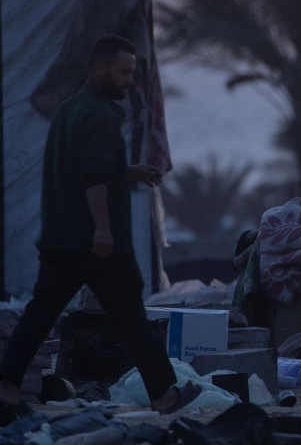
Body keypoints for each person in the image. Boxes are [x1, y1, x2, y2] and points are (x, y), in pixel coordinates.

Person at [0, 36, 200, 419]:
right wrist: (103, 229)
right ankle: (164, 395)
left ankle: (6, 384)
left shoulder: (68, 110)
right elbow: (92, 175)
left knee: (40, 313)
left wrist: (128, 172)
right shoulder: (100, 115)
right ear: (99, 68)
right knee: (132, 317)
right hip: (97, 244)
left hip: (61, 240)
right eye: (124, 72)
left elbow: (84, 166)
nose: (129, 81)